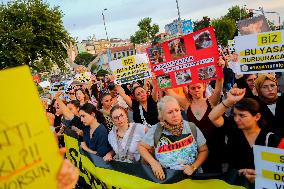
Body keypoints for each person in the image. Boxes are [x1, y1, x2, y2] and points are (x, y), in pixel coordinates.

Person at [208, 88, 284, 180]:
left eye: (242, 115)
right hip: (235, 183)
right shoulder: (233, 129)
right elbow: (212, 117)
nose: (236, 119)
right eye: (235, 115)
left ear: (257, 117)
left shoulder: (271, 139)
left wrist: (260, 177)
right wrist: (229, 101)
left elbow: (278, 170)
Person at [167, 57, 225, 173]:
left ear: (203, 87)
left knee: (216, 174)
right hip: (198, 147)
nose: (196, 90)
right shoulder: (187, 104)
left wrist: (220, 69)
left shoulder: (211, 101)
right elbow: (169, 91)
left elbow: (219, 86)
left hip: (215, 145)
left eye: (199, 87)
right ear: (188, 90)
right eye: (193, 88)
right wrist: (161, 75)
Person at [138, 96, 208, 180]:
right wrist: (154, 163)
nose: (175, 115)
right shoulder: (156, 129)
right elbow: (141, 147)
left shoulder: (191, 127)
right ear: (162, 116)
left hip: (192, 178)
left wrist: (193, 167)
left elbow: (204, 150)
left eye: (177, 110)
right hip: (167, 180)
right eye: (170, 112)